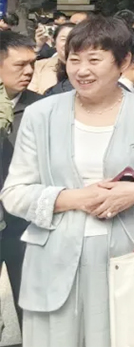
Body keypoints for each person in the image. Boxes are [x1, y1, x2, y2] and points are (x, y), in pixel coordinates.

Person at [0, 17, 134, 347]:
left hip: (128, 258)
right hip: (53, 259)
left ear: (123, 61)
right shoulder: (41, 115)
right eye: (74, 59)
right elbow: (14, 194)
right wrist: (77, 198)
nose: (82, 70)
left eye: (94, 60)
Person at [0, 32, 40, 324]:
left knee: (31, 306)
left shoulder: (41, 108)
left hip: (24, 222)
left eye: (32, 64)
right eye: (19, 65)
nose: (28, 71)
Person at [29, 22, 74, 94]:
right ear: (54, 42)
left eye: (73, 39)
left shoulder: (87, 67)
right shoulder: (40, 66)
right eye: (63, 39)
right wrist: (37, 47)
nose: (68, 43)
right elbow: (30, 94)